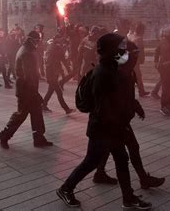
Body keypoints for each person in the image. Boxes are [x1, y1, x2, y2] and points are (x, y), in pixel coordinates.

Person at [56, 33, 151, 210]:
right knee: (91, 161)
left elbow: (121, 95)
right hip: (103, 128)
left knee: (121, 159)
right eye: (121, 47)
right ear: (111, 50)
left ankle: (128, 198)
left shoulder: (113, 68)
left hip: (112, 127)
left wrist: (132, 108)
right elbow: (104, 106)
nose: (124, 51)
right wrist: (120, 124)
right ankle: (66, 188)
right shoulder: (103, 73)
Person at [92, 36, 165, 190]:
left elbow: (127, 95)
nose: (136, 59)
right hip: (114, 120)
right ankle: (139, 183)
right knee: (129, 149)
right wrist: (125, 114)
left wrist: (136, 106)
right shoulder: (117, 71)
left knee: (108, 149)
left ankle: (99, 173)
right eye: (134, 55)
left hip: (116, 120)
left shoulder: (125, 70)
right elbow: (114, 98)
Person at [0, 31, 53, 149]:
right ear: (32, 40)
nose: (39, 42)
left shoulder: (25, 49)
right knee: (21, 114)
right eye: (38, 40)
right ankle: (5, 135)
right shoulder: (27, 52)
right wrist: (35, 92)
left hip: (27, 88)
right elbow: (29, 75)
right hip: (26, 90)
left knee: (37, 114)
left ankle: (39, 138)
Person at [42, 34, 75, 114]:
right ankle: (66, 109)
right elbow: (48, 63)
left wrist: (69, 69)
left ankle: (43, 105)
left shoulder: (58, 48)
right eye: (60, 39)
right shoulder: (52, 48)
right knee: (59, 92)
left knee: (50, 91)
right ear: (56, 39)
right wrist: (50, 75)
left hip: (54, 73)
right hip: (51, 74)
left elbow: (63, 59)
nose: (61, 41)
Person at [129, 22, 150, 97]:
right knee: (137, 76)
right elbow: (138, 51)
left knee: (137, 76)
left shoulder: (131, 36)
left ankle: (141, 91)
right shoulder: (139, 39)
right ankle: (141, 91)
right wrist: (141, 59)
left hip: (130, 59)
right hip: (134, 61)